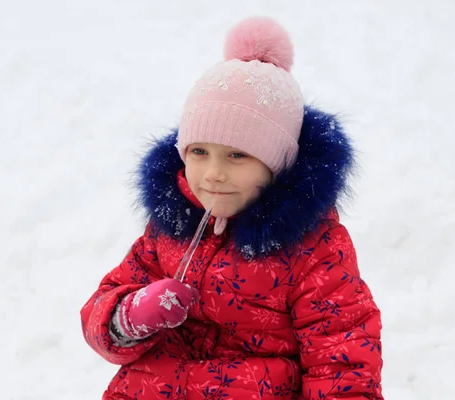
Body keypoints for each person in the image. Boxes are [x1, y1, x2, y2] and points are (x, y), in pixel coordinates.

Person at [81, 16, 383, 400]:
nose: (213, 174)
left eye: (237, 155)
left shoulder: (313, 252)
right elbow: (99, 315)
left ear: (277, 164)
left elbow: (343, 361)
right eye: (200, 152)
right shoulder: (171, 228)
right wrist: (131, 314)